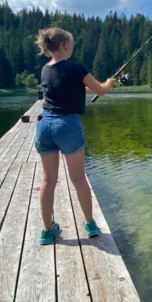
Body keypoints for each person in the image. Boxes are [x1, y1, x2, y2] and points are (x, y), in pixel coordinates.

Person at [33, 27, 115, 245]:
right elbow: (100, 91)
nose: (72, 48)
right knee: (78, 178)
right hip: (66, 125)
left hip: (44, 125)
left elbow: (74, 89)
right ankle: (90, 224)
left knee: (48, 180)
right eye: (71, 44)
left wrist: (96, 87)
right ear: (64, 45)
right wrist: (109, 83)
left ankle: (47, 230)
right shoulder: (76, 67)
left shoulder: (45, 69)